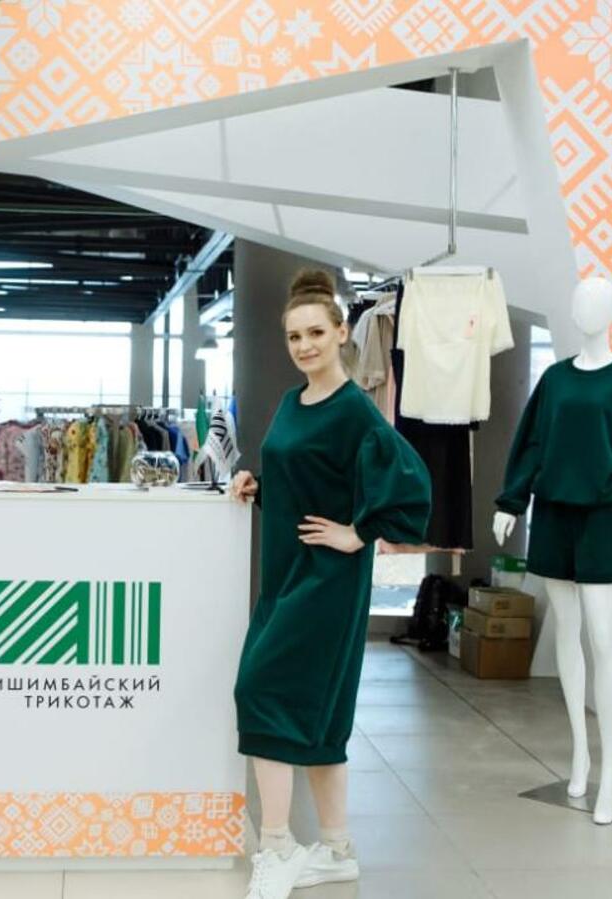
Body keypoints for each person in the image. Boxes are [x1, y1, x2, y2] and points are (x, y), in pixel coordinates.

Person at [229, 270, 432, 899]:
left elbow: (412, 485)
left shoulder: (356, 411)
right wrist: (258, 487)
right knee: (318, 718)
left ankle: (277, 846)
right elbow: (302, 480)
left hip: (327, 584)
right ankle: (338, 850)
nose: (305, 345)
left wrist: (360, 532)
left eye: (316, 333)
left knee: (259, 690)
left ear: (343, 333)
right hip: (284, 577)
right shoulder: (293, 403)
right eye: (295, 336)